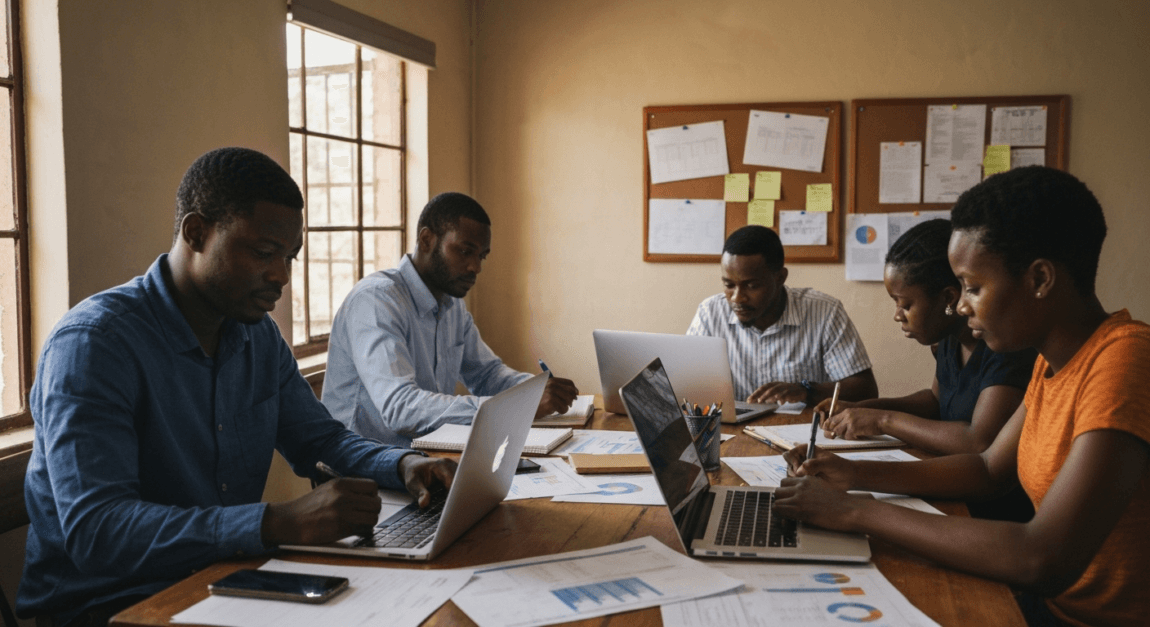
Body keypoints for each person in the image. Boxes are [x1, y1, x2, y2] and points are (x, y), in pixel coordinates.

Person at [17, 148, 456, 627]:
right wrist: (275, 522)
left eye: (290, 258)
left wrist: (405, 464)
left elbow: (320, 440)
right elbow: (98, 532)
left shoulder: (255, 333)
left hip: (228, 580)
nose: (282, 276)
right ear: (196, 233)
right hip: (112, 608)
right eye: (264, 253)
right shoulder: (94, 345)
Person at [776, 166, 1150, 627]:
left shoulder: (1125, 359)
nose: (962, 305)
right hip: (1036, 604)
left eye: (973, 287)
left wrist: (855, 510)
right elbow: (989, 469)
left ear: (1040, 279)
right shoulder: (1049, 362)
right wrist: (851, 473)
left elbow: (1042, 558)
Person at [814, 219, 1036, 521]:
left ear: (947, 298)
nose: (897, 316)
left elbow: (977, 442)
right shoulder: (947, 340)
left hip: (989, 511)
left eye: (905, 304)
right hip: (950, 488)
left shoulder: (1006, 346)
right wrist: (860, 408)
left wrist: (882, 420)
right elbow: (934, 401)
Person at [322, 192, 578, 447]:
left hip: (423, 461)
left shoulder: (452, 304)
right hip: (362, 472)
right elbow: (400, 409)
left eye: (482, 256)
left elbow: (487, 375)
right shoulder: (377, 302)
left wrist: (534, 390)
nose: (475, 267)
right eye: (465, 251)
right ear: (426, 240)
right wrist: (517, 405)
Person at [687, 225, 878, 406]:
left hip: (800, 433)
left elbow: (865, 390)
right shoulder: (710, 313)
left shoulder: (824, 312)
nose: (738, 298)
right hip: (732, 433)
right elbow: (684, 382)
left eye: (752, 286)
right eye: (729, 285)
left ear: (780, 278)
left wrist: (806, 390)